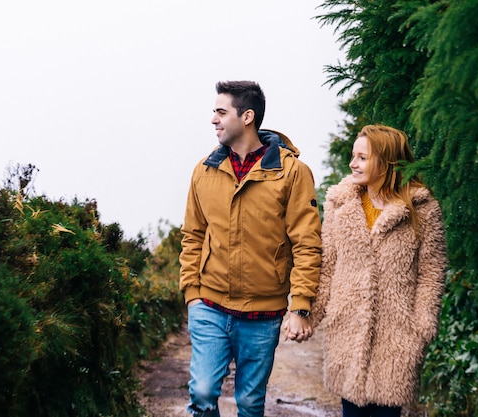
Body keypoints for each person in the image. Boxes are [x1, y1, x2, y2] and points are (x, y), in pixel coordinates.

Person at [179, 80, 322, 417]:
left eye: (220, 112)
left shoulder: (292, 174)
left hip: (263, 314)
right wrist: (191, 292)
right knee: (201, 394)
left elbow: (306, 243)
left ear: (247, 116)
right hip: (209, 305)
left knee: (249, 403)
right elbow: (193, 235)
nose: (213, 119)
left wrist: (299, 306)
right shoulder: (204, 171)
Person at [306, 124, 448, 417]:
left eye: (361, 157)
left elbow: (432, 271)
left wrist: (422, 326)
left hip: (396, 338)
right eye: (353, 156)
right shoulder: (340, 204)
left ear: (385, 162)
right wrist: (310, 316)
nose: (352, 163)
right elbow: (328, 264)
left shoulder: (422, 209)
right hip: (347, 330)